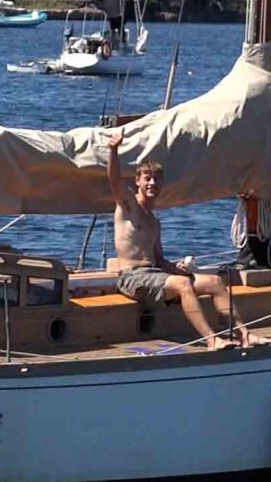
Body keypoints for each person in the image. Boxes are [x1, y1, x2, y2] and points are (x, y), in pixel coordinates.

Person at [105, 128, 253, 349]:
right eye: (147, 179)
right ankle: (212, 340)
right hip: (132, 278)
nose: (152, 183)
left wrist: (176, 268)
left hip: (155, 275)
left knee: (215, 282)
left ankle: (245, 335)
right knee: (184, 285)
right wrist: (113, 151)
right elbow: (114, 179)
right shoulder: (128, 205)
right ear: (137, 180)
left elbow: (158, 259)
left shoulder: (154, 222)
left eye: (156, 179)